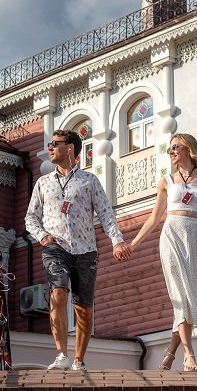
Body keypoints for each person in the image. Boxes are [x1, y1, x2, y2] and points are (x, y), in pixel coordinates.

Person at [25, 130, 133, 371]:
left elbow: (106, 213)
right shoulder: (43, 183)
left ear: (70, 148)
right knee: (57, 292)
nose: (50, 148)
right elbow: (31, 218)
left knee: (83, 308)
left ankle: (78, 360)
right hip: (55, 248)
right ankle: (61, 355)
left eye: (55, 144)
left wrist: (117, 241)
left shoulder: (89, 181)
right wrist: (43, 236)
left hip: (85, 250)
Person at [129, 133, 197, 371]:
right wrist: (132, 245)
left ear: (188, 149)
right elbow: (153, 219)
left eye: (174, 147)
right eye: (168, 149)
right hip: (171, 236)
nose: (170, 152)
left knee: (191, 298)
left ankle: (170, 352)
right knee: (180, 294)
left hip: (195, 238)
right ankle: (189, 354)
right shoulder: (166, 181)